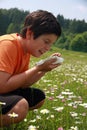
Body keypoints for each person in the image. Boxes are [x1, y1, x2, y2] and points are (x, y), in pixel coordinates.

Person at [0, 10, 61, 127]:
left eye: (51, 44)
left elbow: (22, 84)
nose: (48, 48)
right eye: (46, 41)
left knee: (38, 97)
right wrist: (37, 67)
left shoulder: (25, 50)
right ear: (29, 33)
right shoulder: (8, 44)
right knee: (20, 106)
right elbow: (2, 86)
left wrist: (43, 69)